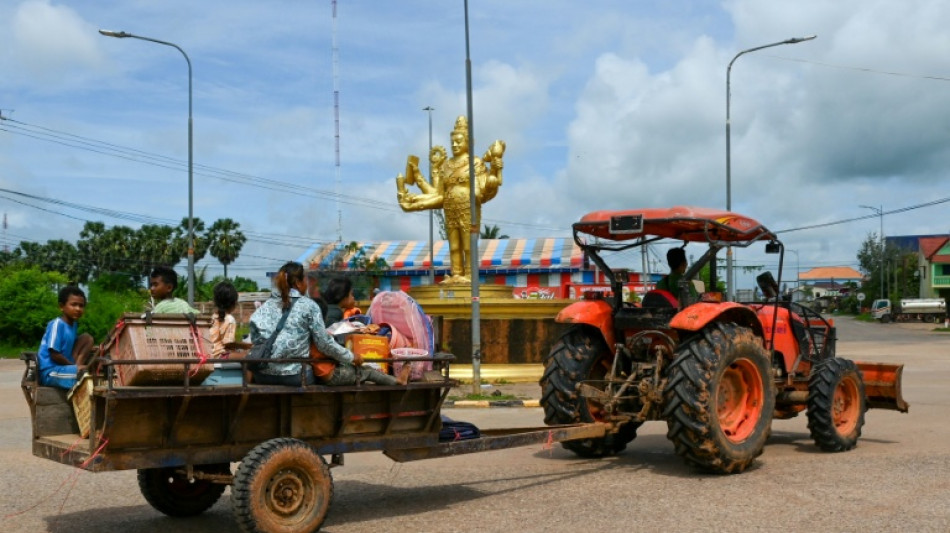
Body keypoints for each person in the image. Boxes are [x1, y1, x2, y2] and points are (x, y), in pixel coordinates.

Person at [249, 261, 410, 386]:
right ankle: (397, 381)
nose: (307, 284)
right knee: (362, 371)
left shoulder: (262, 309)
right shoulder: (308, 306)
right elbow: (323, 344)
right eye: (305, 280)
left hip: (262, 374)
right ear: (298, 283)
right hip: (296, 376)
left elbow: (257, 342)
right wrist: (351, 357)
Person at [396, 116, 505, 283]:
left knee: (468, 246)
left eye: (459, 142)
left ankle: (469, 275)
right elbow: (438, 194)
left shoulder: (475, 163)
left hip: (468, 209)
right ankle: (456, 274)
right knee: (453, 246)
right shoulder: (446, 166)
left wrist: (495, 173)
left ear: (468, 142)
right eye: (452, 142)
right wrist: (415, 200)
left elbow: (485, 189)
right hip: (450, 209)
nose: (454, 145)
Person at [37, 286, 94, 390]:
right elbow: (54, 355)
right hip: (51, 371)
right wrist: (73, 367)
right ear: (61, 306)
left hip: (64, 367)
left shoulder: (74, 325)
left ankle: (77, 368)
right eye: (73, 304)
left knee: (87, 338)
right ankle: (77, 370)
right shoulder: (57, 324)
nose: (78, 309)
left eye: (81, 306)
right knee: (88, 377)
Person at [210, 280, 238, 357]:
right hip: (220, 356)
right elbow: (228, 344)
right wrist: (246, 346)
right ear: (233, 303)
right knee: (247, 356)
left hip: (209, 354)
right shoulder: (230, 319)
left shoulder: (213, 317)